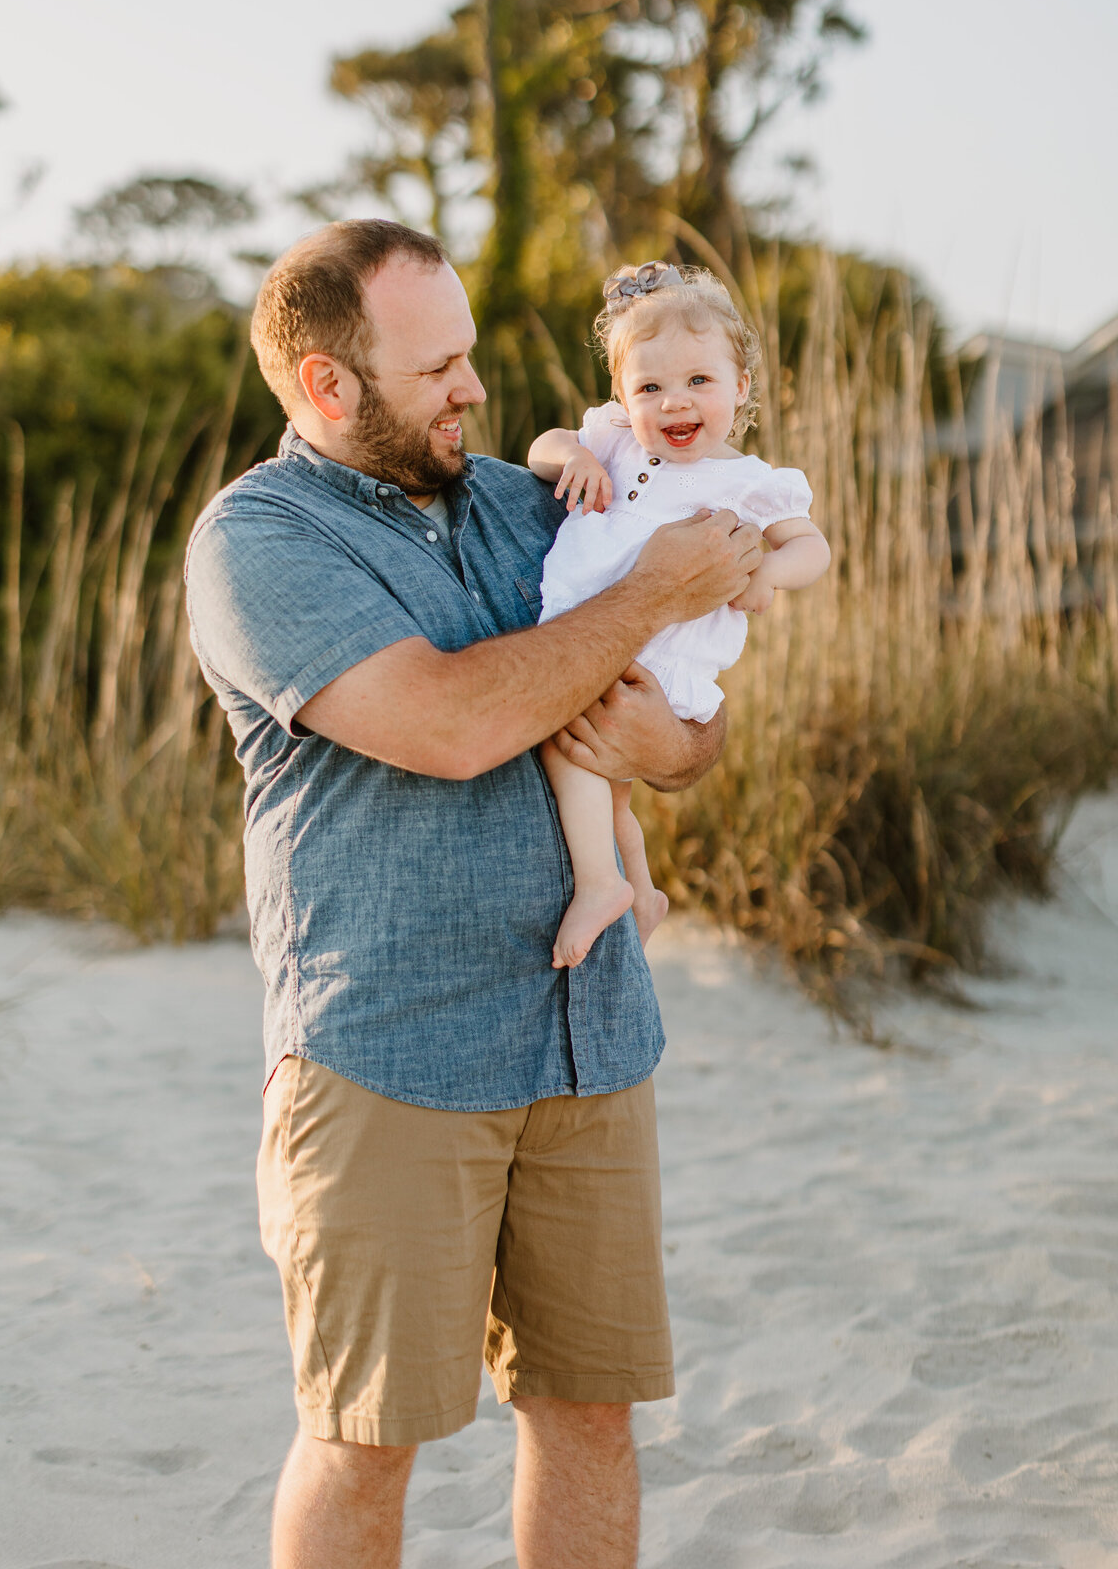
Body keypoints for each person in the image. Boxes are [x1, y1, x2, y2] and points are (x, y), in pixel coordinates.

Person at [184, 219, 767, 1569]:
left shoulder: (529, 501)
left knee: (591, 1415)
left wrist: (666, 741)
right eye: (437, 366)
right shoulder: (259, 542)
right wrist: (642, 607)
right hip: (389, 1051)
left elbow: (689, 730)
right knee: (365, 1437)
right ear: (329, 387)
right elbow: (445, 724)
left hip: (588, 1040)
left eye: (472, 354)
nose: (474, 389)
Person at [527, 261, 831, 968]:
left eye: (699, 382)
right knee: (609, 781)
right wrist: (573, 454)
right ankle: (640, 886)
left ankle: (600, 884)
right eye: (650, 387)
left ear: (740, 387)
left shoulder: (750, 482)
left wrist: (765, 574)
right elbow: (542, 447)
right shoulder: (616, 440)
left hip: (662, 651)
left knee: (568, 746)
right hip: (598, 623)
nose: (673, 404)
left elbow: (812, 548)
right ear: (621, 395)